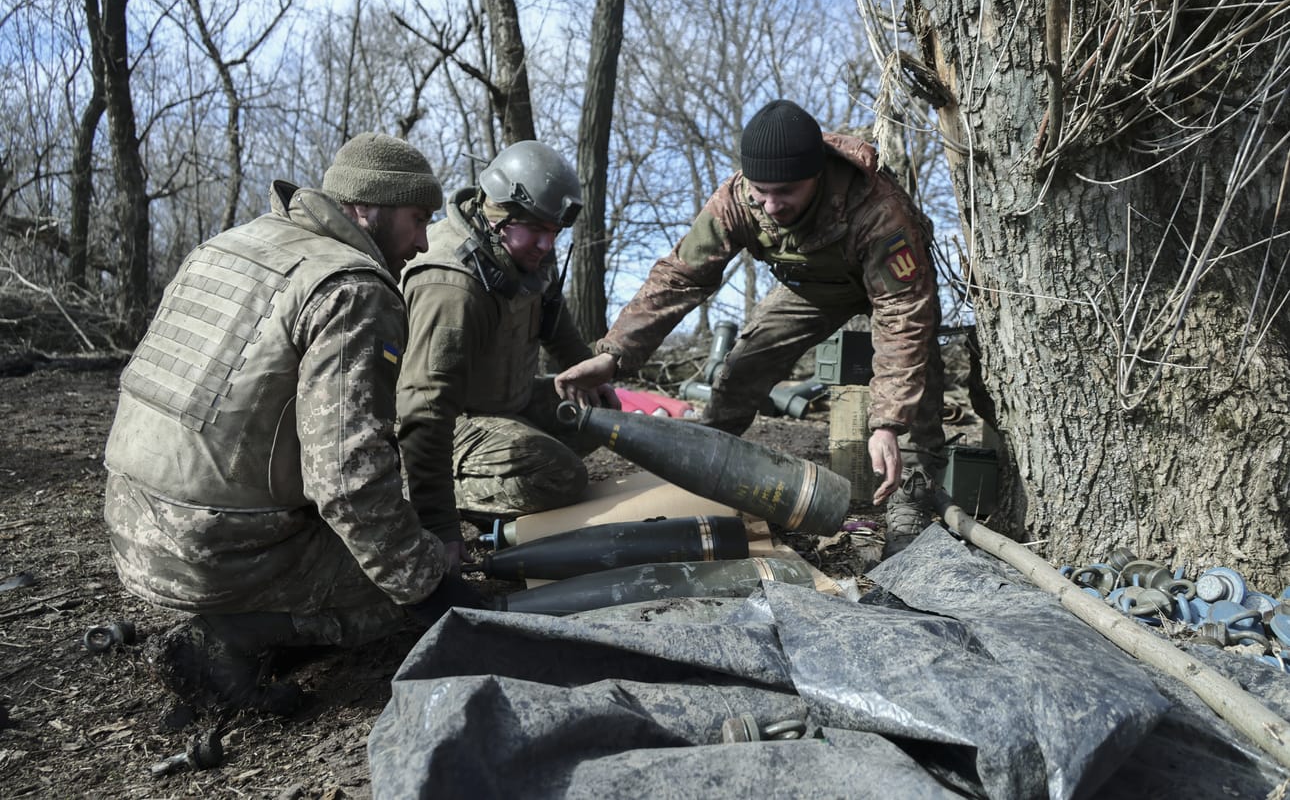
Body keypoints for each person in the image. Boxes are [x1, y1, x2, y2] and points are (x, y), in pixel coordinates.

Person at [102, 132, 479, 714]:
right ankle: (238, 635)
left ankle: (242, 611)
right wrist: (430, 582)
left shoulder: (227, 245)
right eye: (416, 218)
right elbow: (349, 486)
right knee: (397, 594)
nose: (423, 242)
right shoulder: (353, 287)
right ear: (368, 208)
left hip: (131, 525)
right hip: (218, 550)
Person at [555, 100, 946, 558]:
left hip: (893, 289)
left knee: (919, 392)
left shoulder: (878, 211)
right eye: (762, 191)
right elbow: (680, 276)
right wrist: (613, 353)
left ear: (817, 175)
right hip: (813, 291)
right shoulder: (737, 200)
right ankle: (703, 474)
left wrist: (886, 423)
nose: (772, 205)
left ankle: (915, 494)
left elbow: (901, 313)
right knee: (740, 369)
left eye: (786, 192)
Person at [397, 141, 615, 561]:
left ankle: (495, 471)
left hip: (503, 402)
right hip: (442, 426)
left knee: (601, 419)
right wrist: (440, 526)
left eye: (554, 233)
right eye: (536, 229)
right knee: (562, 476)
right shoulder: (451, 284)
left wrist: (591, 376)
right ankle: (425, 488)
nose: (546, 245)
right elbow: (424, 412)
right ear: (498, 215)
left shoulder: (525, 259)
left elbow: (561, 335)